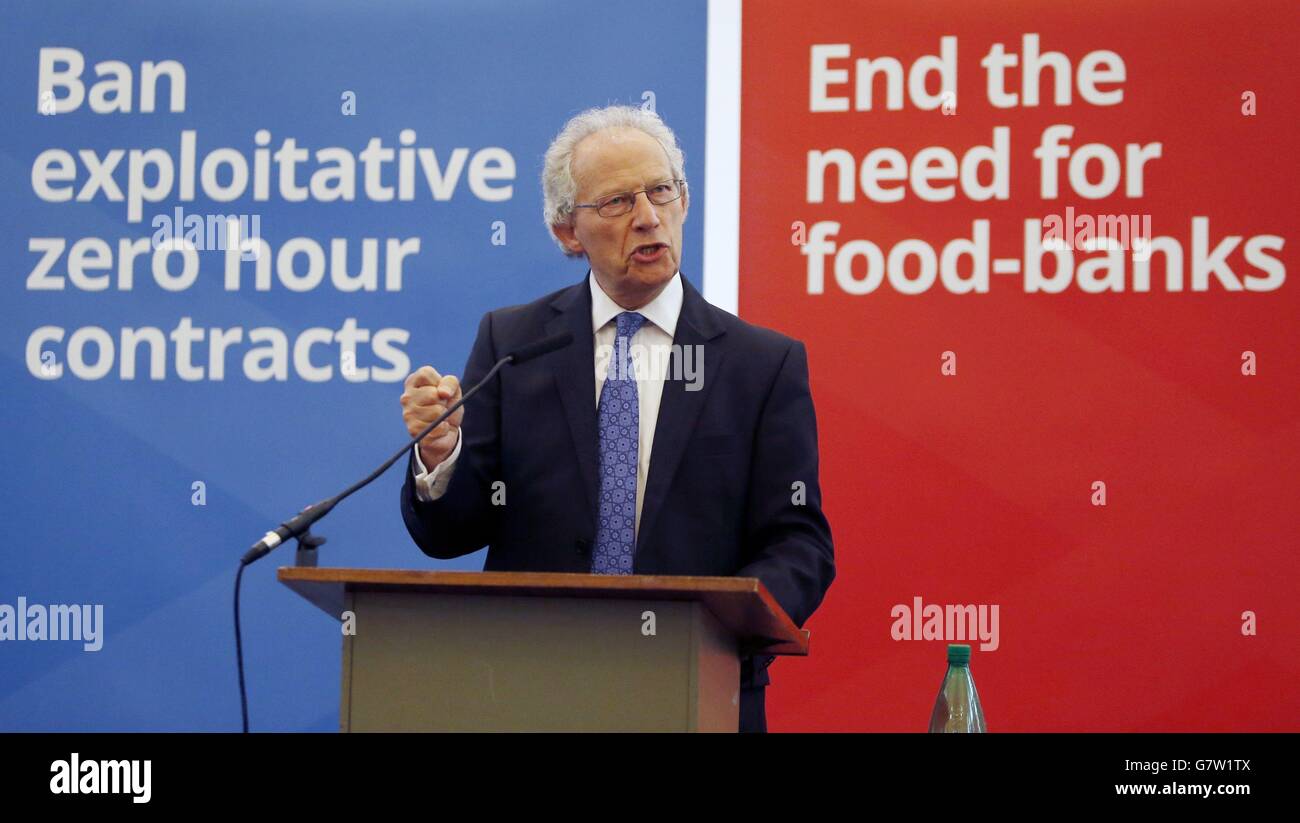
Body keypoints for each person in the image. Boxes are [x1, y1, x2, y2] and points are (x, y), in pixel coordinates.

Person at [399, 105, 834, 732]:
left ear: (683, 200)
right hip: (529, 692)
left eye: (661, 191)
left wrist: (721, 623)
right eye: (617, 202)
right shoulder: (513, 343)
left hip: (697, 689)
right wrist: (441, 457)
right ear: (566, 231)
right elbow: (451, 534)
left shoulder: (761, 364)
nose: (649, 217)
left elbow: (800, 544)